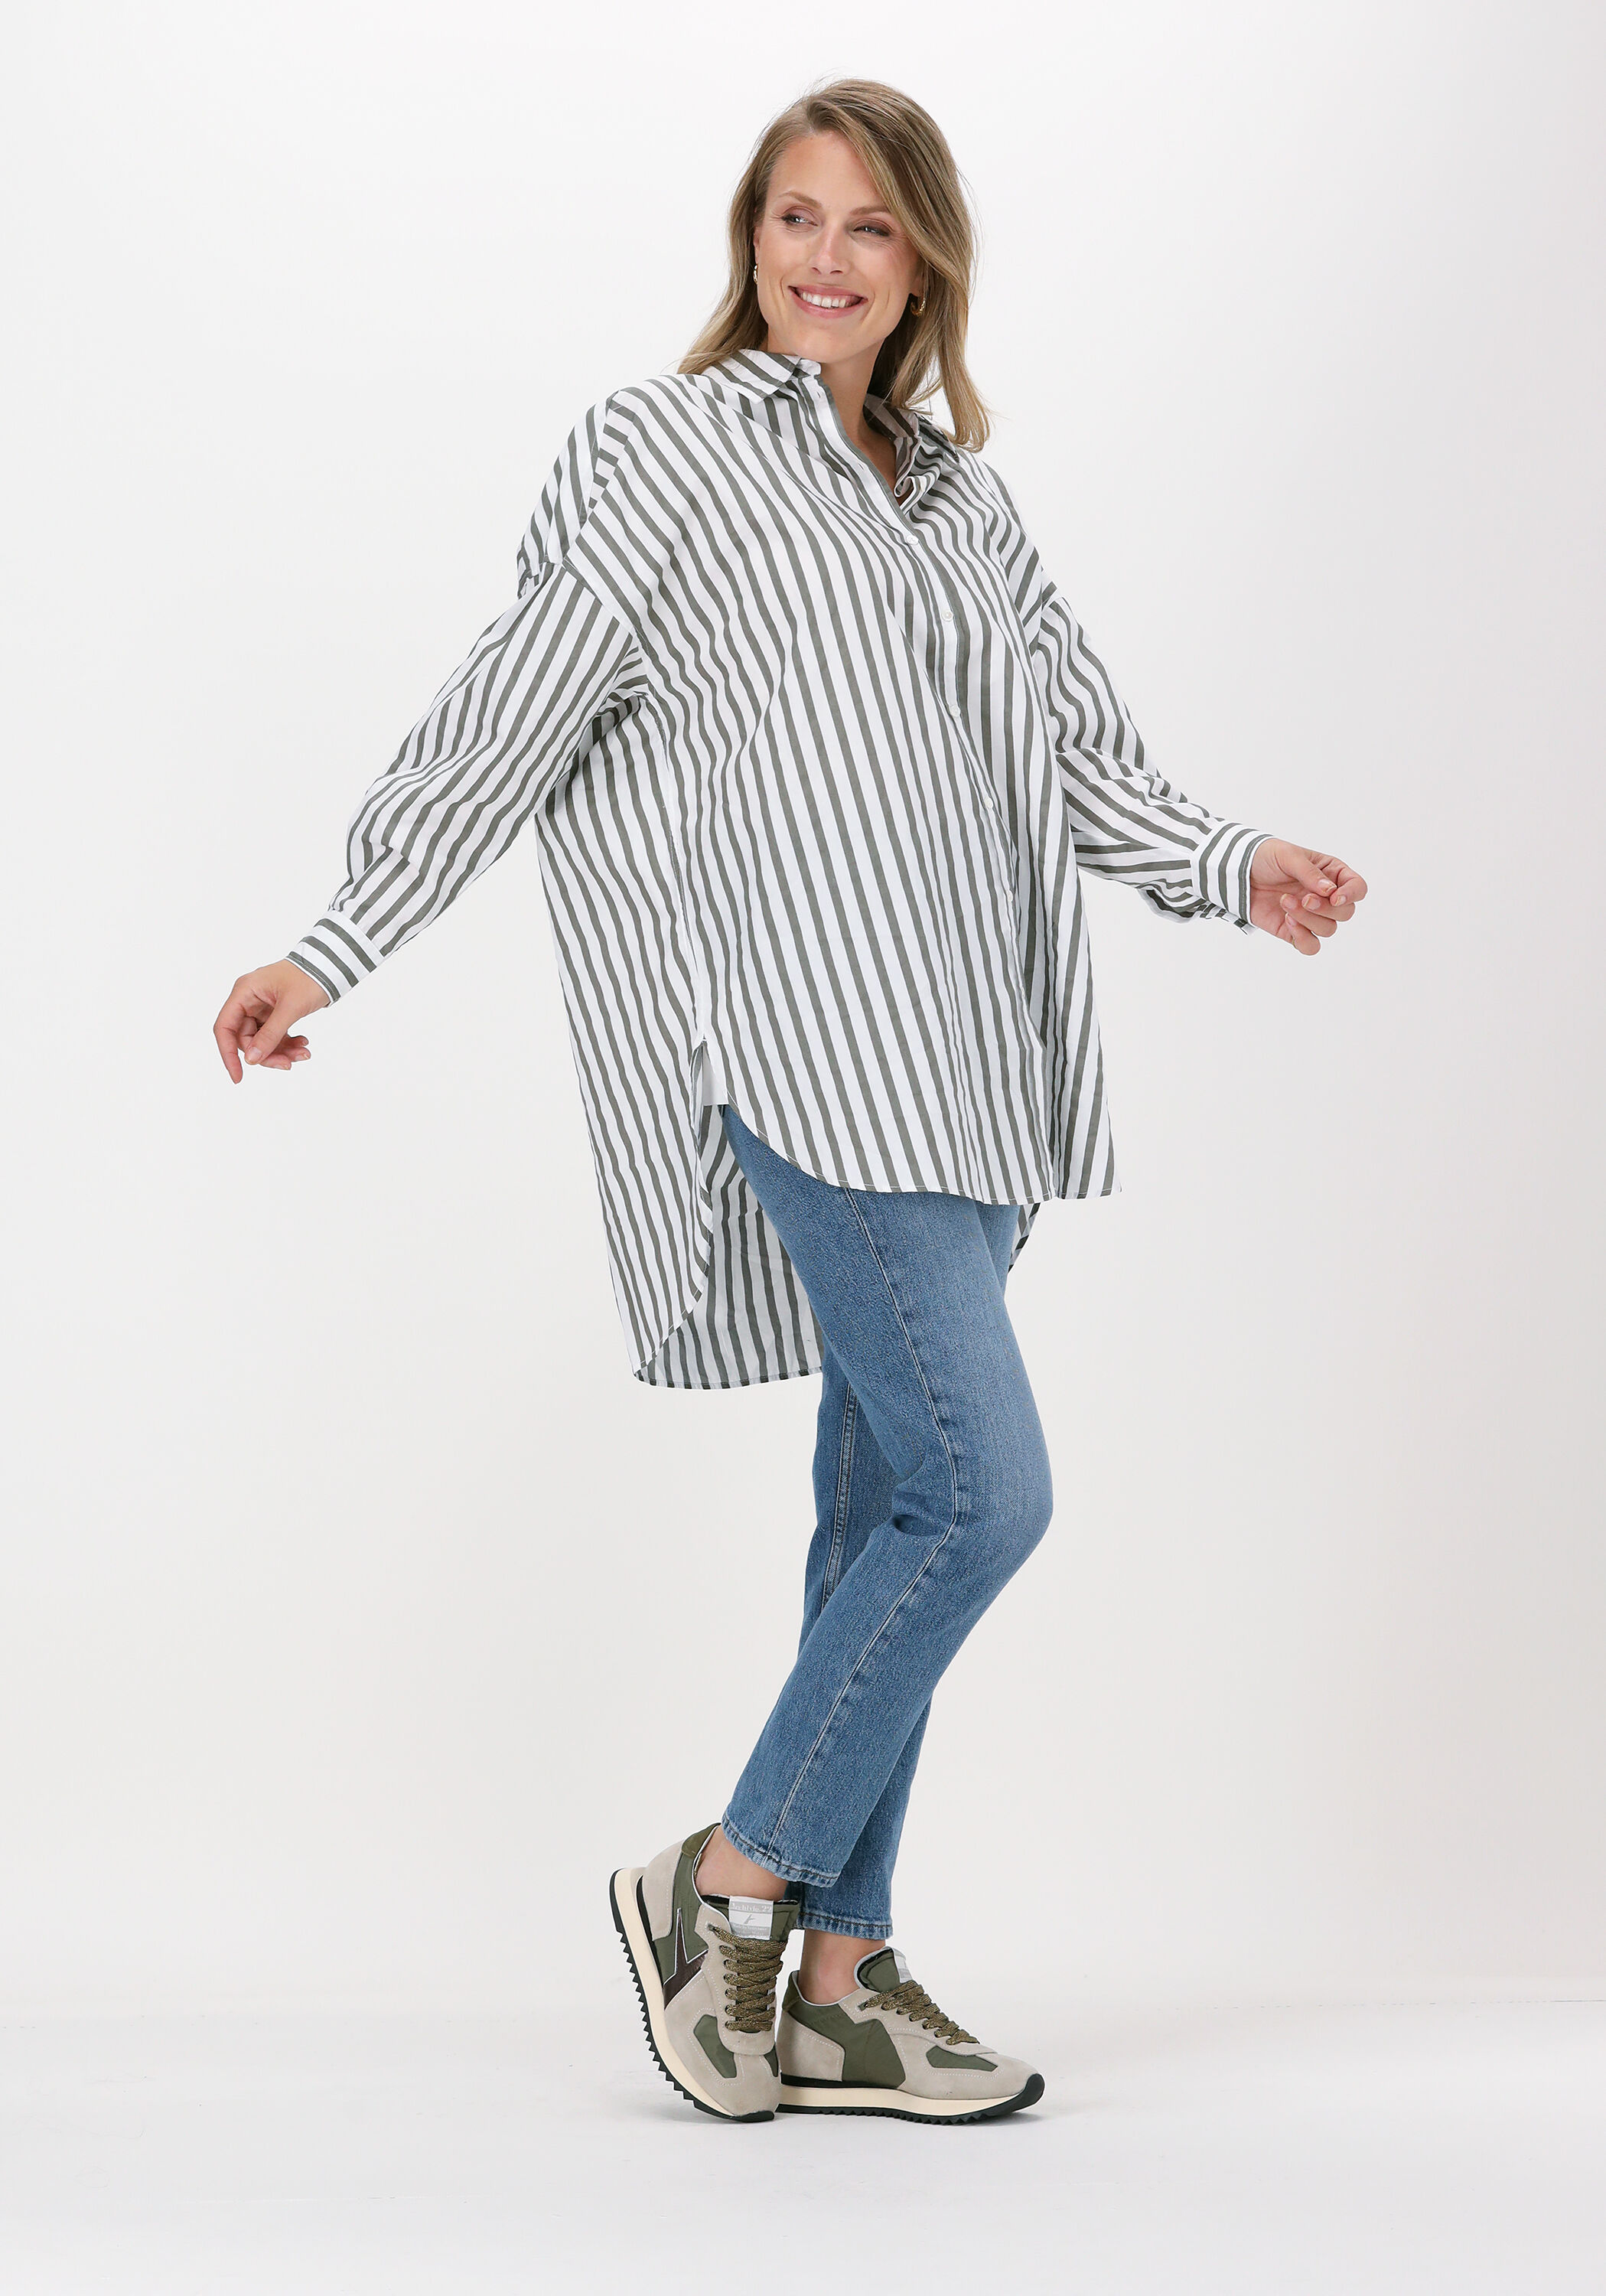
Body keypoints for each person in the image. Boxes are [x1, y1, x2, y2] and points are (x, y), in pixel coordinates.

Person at [213, 79, 1366, 2126]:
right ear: (748, 237)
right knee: (980, 1497)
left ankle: (840, 1979)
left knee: (879, 1520)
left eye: (866, 227)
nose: (821, 258)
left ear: (925, 263)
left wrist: (1232, 860)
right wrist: (338, 939)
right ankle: (726, 1878)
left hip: (980, 1066)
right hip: (808, 1050)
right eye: (791, 217)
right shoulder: (662, 451)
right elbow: (512, 704)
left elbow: (1079, 756)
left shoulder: (964, 502)